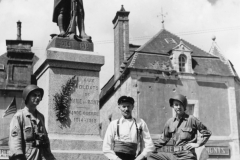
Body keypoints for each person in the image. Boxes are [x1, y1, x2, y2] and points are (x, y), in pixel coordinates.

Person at [149, 94, 212, 160]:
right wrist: (150, 148)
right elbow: (163, 140)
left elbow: (207, 132)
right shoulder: (170, 122)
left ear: (184, 106)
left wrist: (198, 144)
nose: (178, 107)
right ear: (173, 106)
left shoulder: (191, 119)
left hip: (187, 156)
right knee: (150, 155)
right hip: (174, 156)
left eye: (181, 105)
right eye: (176, 104)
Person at [8, 85, 56, 160]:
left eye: (39, 95)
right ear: (27, 97)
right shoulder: (19, 116)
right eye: (34, 95)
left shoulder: (41, 117)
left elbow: (45, 140)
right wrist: (18, 157)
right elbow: (15, 141)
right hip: (27, 157)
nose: (37, 98)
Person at [103, 96, 155, 160]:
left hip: (134, 157)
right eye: (124, 106)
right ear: (119, 107)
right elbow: (106, 148)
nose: (126, 109)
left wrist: (140, 157)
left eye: (128, 106)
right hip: (117, 157)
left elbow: (150, 145)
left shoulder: (140, 123)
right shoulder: (114, 124)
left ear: (132, 107)